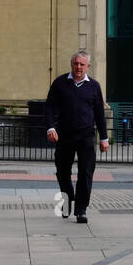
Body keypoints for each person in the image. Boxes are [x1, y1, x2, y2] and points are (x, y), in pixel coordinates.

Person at [45, 51, 109, 223]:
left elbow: (99, 114)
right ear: (71, 64)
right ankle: (66, 202)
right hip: (64, 136)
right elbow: (49, 107)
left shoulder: (94, 86)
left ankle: (81, 210)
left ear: (88, 66)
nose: (78, 67)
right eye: (76, 64)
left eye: (82, 64)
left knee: (86, 174)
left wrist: (104, 138)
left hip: (86, 136)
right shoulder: (59, 83)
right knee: (62, 172)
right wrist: (51, 127)